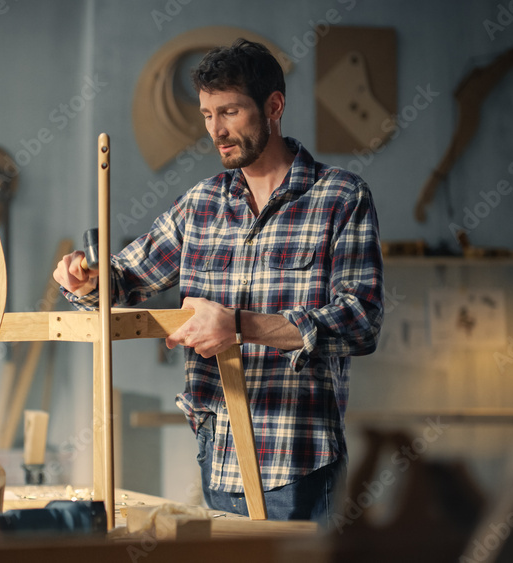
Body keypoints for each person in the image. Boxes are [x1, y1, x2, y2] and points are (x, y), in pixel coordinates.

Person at [53, 38, 383, 524]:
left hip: (299, 456)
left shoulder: (340, 196)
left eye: (229, 111)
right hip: (218, 451)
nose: (216, 130)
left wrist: (239, 325)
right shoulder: (201, 204)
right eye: (208, 114)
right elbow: (121, 279)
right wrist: (84, 280)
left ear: (274, 106)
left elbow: (360, 321)